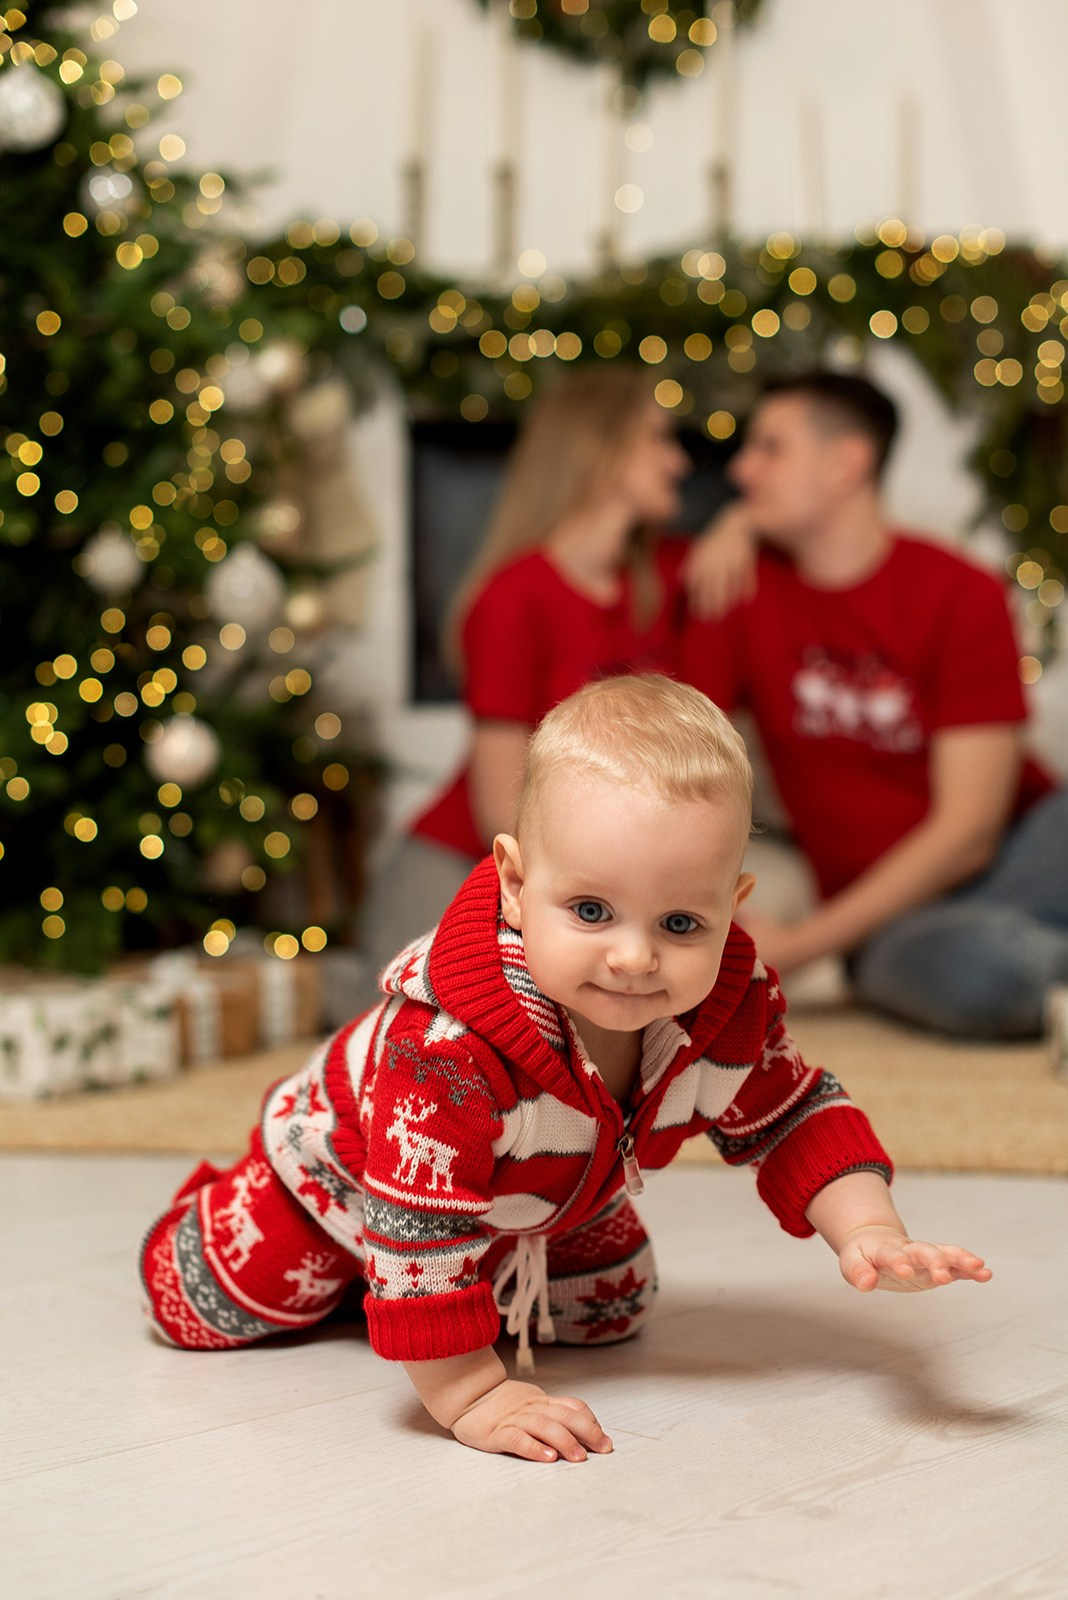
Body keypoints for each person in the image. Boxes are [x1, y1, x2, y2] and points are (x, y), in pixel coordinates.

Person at [140, 675, 991, 1464]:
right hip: (350, 1177)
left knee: (614, 1310)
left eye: (681, 924)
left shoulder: (731, 1011)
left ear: (733, 909)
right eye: (590, 910)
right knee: (214, 1305)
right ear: (514, 884)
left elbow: (793, 1115)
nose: (633, 956)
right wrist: (473, 1394)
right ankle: (266, 1246)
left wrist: (871, 1230)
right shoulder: (447, 1049)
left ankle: (429, 1291)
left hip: (545, 1193)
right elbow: (414, 1222)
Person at [682, 370, 1067, 1040]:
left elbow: (971, 832)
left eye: (771, 448)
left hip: (1017, 862)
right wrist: (731, 526)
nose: (742, 470)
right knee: (986, 973)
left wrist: (798, 947)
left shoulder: (959, 590)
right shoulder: (740, 588)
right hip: (890, 922)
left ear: (846, 462)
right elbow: (672, 753)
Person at [356, 366, 693, 990]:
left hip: (584, 870)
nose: (678, 462)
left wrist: (742, 526)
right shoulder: (514, 596)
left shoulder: (667, 580)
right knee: (408, 1014)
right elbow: (496, 806)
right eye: (658, 438)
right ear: (601, 448)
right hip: (471, 857)